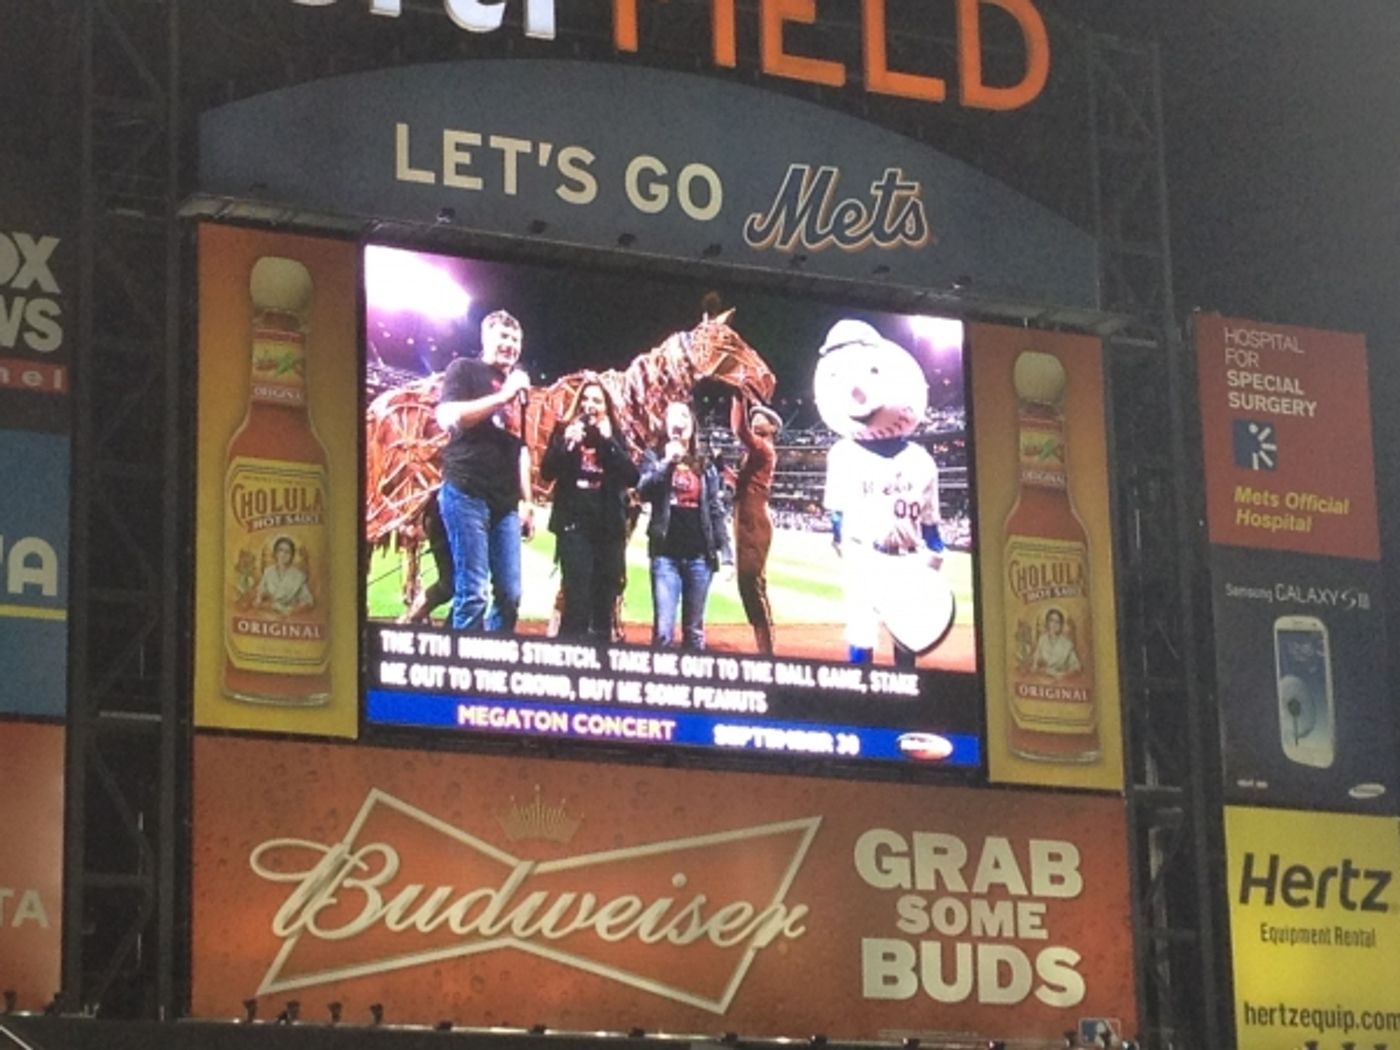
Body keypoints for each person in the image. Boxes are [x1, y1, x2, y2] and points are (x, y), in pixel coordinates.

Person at [434, 309, 535, 632]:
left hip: (504, 502)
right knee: (474, 593)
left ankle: (492, 662)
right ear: (486, 338)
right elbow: (449, 416)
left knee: (510, 594)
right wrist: (503, 395)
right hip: (466, 492)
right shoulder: (464, 369)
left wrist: (528, 501)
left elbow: (520, 447)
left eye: (515, 339)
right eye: (503, 337)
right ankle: (461, 670)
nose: (510, 345)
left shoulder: (518, 388)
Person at [540, 379, 639, 640]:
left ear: (606, 406)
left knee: (604, 601)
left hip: (608, 529)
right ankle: (572, 663)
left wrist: (607, 442)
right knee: (577, 599)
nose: (590, 405)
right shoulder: (565, 429)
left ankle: (600, 664)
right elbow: (547, 472)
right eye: (585, 399)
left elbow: (632, 477)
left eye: (596, 400)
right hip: (574, 525)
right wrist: (566, 444)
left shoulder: (614, 435)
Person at [638, 401, 732, 649]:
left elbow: (715, 509)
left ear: (692, 425)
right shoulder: (653, 456)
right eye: (673, 416)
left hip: (699, 557)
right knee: (663, 633)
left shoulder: (705, 464)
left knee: (694, 633)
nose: (679, 422)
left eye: (685, 416)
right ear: (665, 424)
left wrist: (727, 554)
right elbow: (643, 490)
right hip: (665, 555)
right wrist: (667, 463)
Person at [730, 394, 782, 653]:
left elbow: (738, 429)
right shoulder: (758, 452)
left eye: (761, 417)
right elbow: (742, 484)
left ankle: (766, 649)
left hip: (753, 520)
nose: (755, 419)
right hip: (746, 517)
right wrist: (724, 472)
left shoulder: (763, 447)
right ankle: (765, 646)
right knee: (750, 583)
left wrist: (738, 397)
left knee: (750, 582)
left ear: (772, 429)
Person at [256, 535, 313, 615]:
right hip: (270, 615)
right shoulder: (268, 572)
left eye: (287, 552)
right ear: (275, 553)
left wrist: (292, 611)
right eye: (280, 550)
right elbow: (260, 595)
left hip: (290, 617)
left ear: (291, 556)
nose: (283, 554)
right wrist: (262, 602)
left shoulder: (298, 576)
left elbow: (308, 602)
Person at [1032, 607, 1082, 676]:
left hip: (1061, 681)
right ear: (1047, 623)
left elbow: (1077, 667)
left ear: (1061, 625)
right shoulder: (1042, 640)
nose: (1054, 624)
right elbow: (1035, 662)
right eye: (1051, 620)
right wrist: (1038, 668)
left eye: (1057, 622)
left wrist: (1063, 674)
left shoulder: (1067, 644)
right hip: (1043, 679)